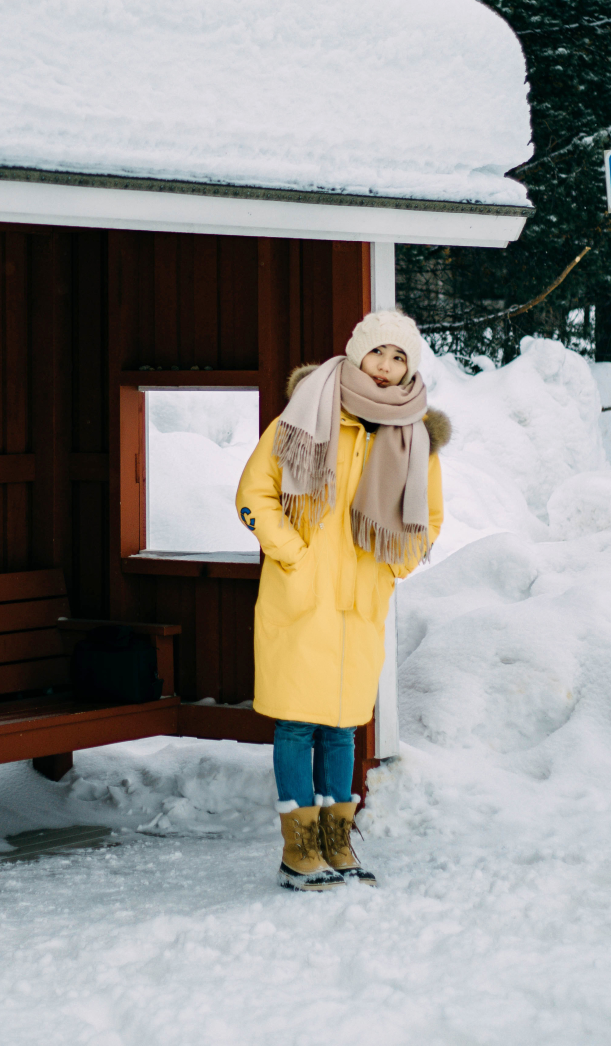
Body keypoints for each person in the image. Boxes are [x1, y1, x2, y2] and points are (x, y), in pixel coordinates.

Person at [235, 309, 447, 890]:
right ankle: (298, 852)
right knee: (297, 725)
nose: (386, 367)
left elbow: (427, 518)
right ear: (357, 354)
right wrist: (292, 554)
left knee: (343, 729)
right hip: (301, 599)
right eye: (379, 353)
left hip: (359, 604)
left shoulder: (413, 433)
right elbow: (255, 493)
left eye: (399, 357)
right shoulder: (304, 416)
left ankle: (336, 845)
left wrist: (394, 562)